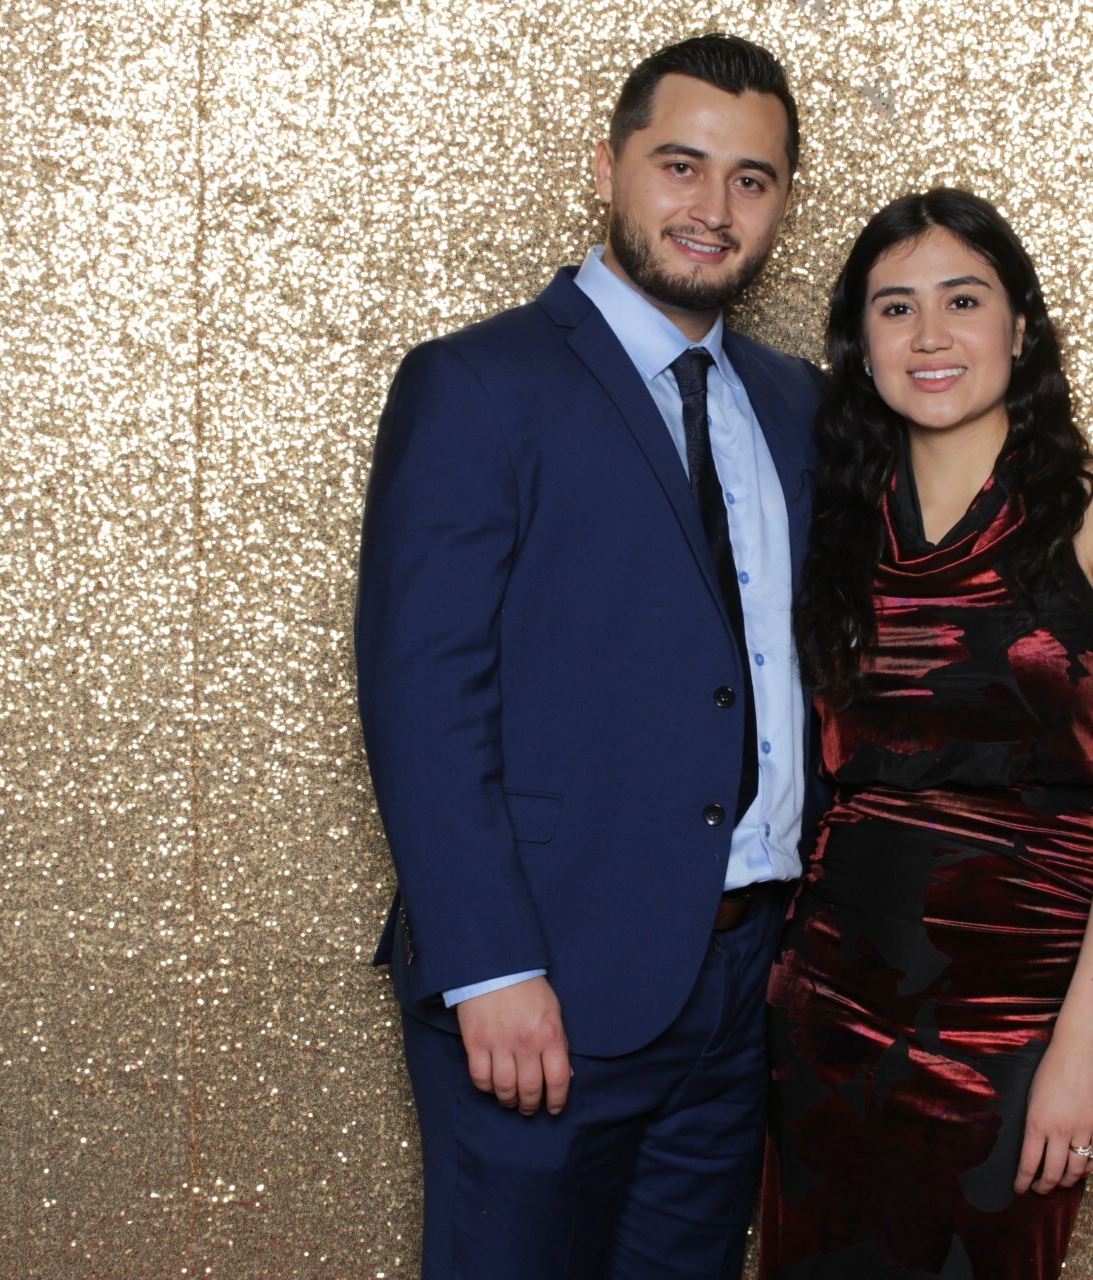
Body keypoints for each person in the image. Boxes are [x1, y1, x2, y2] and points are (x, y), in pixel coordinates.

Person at [355, 32, 821, 1280]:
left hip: (742, 981)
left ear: (782, 202)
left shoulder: (797, 403)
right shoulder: (478, 382)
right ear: (611, 166)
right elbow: (422, 691)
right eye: (681, 164)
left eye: (752, 179)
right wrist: (490, 964)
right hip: (548, 979)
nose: (712, 207)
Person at [761, 189, 1093, 1278]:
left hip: (1020, 1015)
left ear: (1020, 326)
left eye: (963, 300)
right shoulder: (836, 521)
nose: (931, 335)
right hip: (828, 1004)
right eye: (895, 308)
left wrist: (1082, 1045)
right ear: (860, 346)